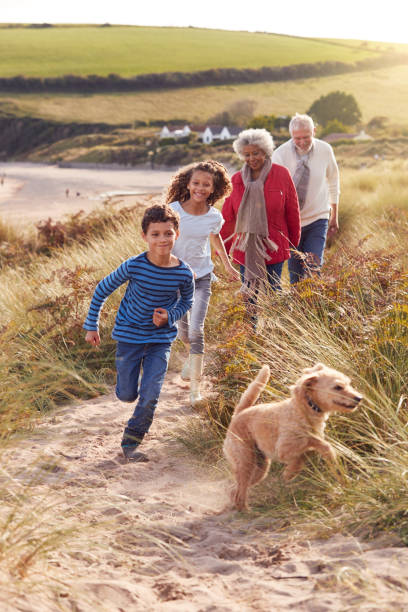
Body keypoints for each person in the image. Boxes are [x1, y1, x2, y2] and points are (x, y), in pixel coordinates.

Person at [83, 203, 194, 462]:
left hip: (160, 340)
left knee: (150, 396)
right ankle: (126, 389)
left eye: (168, 233)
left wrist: (170, 315)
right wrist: (91, 325)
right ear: (144, 237)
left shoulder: (183, 273)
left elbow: (186, 302)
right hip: (129, 337)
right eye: (155, 234)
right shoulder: (135, 265)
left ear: (176, 233)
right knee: (126, 394)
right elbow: (102, 289)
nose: (162, 239)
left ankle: (130, 443)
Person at [166, 160, 238, 406]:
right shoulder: (173, 210)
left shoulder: (213, 216)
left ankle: (195, 388)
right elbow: (161, 240)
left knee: (197, 330)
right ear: (188, 183)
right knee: (184, 332)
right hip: (176, 279)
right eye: (196, 182)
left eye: (206, 184)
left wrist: (227, 265)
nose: (200, 188)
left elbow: (215, 238)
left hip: (203, 277)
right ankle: (191, 359)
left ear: (213, 188)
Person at [220, 128, 301, 326]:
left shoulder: (281, 174)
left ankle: (280, 329)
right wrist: (222, 247)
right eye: (247, 154)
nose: (252, 158)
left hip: (274, 244)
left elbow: (292, 210)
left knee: (274, 290)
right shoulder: (236, 180)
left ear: (265, 151)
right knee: (249, 293)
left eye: (256, 153)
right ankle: (252, 331)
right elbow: (228, 215)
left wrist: (293, 242)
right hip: (245, 247)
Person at [272, 113, 340, 283]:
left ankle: (316, 306)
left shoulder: (325, 150)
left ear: (314, 132)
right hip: (290, 224)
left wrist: (334, 216)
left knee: (313, 267)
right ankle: (300, 308)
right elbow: (273, 192)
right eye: (297, 138)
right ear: (291, 136)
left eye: (306, 137)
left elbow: (333, 182)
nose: (302, 142)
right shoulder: (280, 155)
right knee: (295, 274)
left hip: (318, 218)